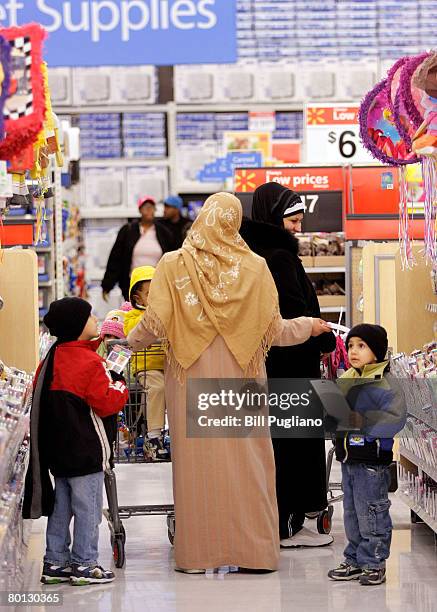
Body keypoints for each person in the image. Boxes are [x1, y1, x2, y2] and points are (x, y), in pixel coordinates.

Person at [126, 192, 331, 573]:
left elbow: (153, 324)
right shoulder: (254, 267)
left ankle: (198, 554)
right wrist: (309, 327)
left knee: (198, 470)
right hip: (241, 379)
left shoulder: (173, 264)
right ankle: (253, 553)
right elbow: (276, 330)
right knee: (248, 466)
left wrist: (125, 341)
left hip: (189, 378)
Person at [240, 182, 336, 548]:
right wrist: (324, 337)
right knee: (297, 442)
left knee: (281, 442)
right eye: (292, 220)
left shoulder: (255, 253)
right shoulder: (278, 258)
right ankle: (291, 524)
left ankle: (282, 520)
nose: (298, 227)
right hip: (293, 362)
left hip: (272, 362)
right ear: (273, 217)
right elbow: (294, 312)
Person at [22, 298, 129, 586]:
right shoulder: (88, 362)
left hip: (59, 453)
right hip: (85, 451)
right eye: (90, 315)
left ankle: (55, 561)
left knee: (62, 507)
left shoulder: (53, 357)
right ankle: (84, 563)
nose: (95, 319)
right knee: (88, 510)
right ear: (77, 326)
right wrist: (119, 383)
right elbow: (107, 402)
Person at [328, 324, 406, 586]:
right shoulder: (346, 379)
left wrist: (367, 428)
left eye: (361, 346)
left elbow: (395, 418)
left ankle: (374, 561)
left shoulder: (386, 382)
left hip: (371, 462)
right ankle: (354, 558)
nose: (353, 351)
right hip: (349, 460)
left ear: (377, 351)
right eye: (350, 346)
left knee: (371, 512)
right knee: (350, 513)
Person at [124, 265, 169, 462]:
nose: (156, 297)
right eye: (150, 294)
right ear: (137, 298)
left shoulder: (168, 312)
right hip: (146, 367)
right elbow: (136, 334)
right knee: (157, 387)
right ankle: (153, 437)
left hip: (169, 366)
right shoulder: (132, 317)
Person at [101, 195, 175, 301]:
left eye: (152, 207)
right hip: (132, 285)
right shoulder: (128, 230)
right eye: (146, 207)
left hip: (158, 285)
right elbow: (115, 258)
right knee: (134, 314)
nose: (149, 210)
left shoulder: (164, 232)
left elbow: (171, 258)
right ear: (140, 210)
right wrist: (107, 285)